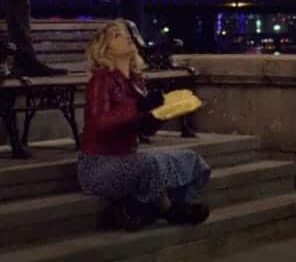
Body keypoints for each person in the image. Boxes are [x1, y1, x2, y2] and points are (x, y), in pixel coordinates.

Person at [78, 20, 211, 231]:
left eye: (126, 33)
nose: (127, 37)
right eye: (117, 35)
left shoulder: (136, 82)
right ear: (105, 48)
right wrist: (139, 106)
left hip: (129, 160)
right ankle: (168, 211)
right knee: (148, 163)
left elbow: (144, 129)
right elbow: (99, 123)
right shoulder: (101, 80)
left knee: (190, 160)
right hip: (99, 166)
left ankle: (139, 208)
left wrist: (164, 112)